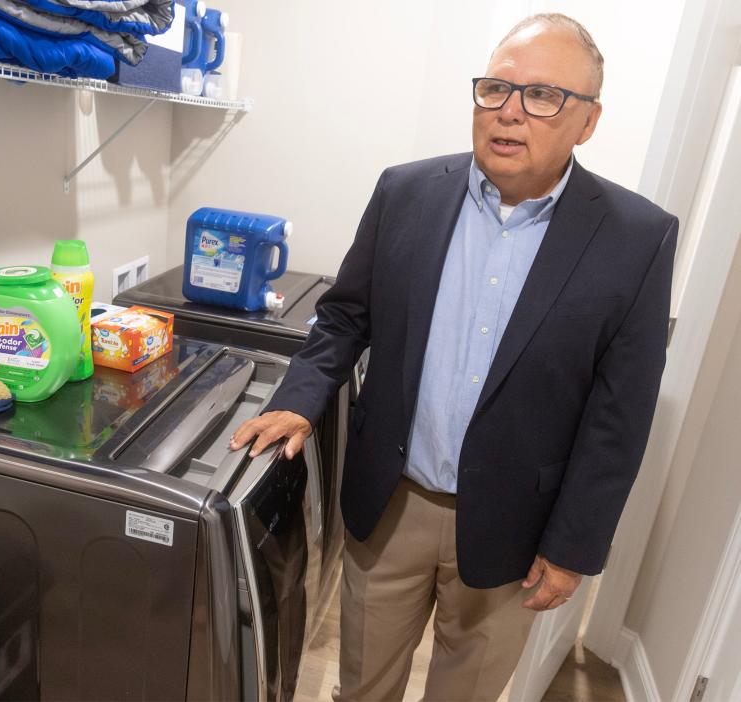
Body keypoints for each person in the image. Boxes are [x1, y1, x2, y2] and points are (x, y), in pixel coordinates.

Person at [229, 12, 678, 702]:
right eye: (494, 88)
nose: (508, 112)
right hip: (390, 504)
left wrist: (573, 546)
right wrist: (298, 398)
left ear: (586, 122)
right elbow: (346, 316)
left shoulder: (636, 237)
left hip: (513, 529)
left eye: (542, 96)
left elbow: (619, 413)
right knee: (362, 688)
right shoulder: (404, 193)